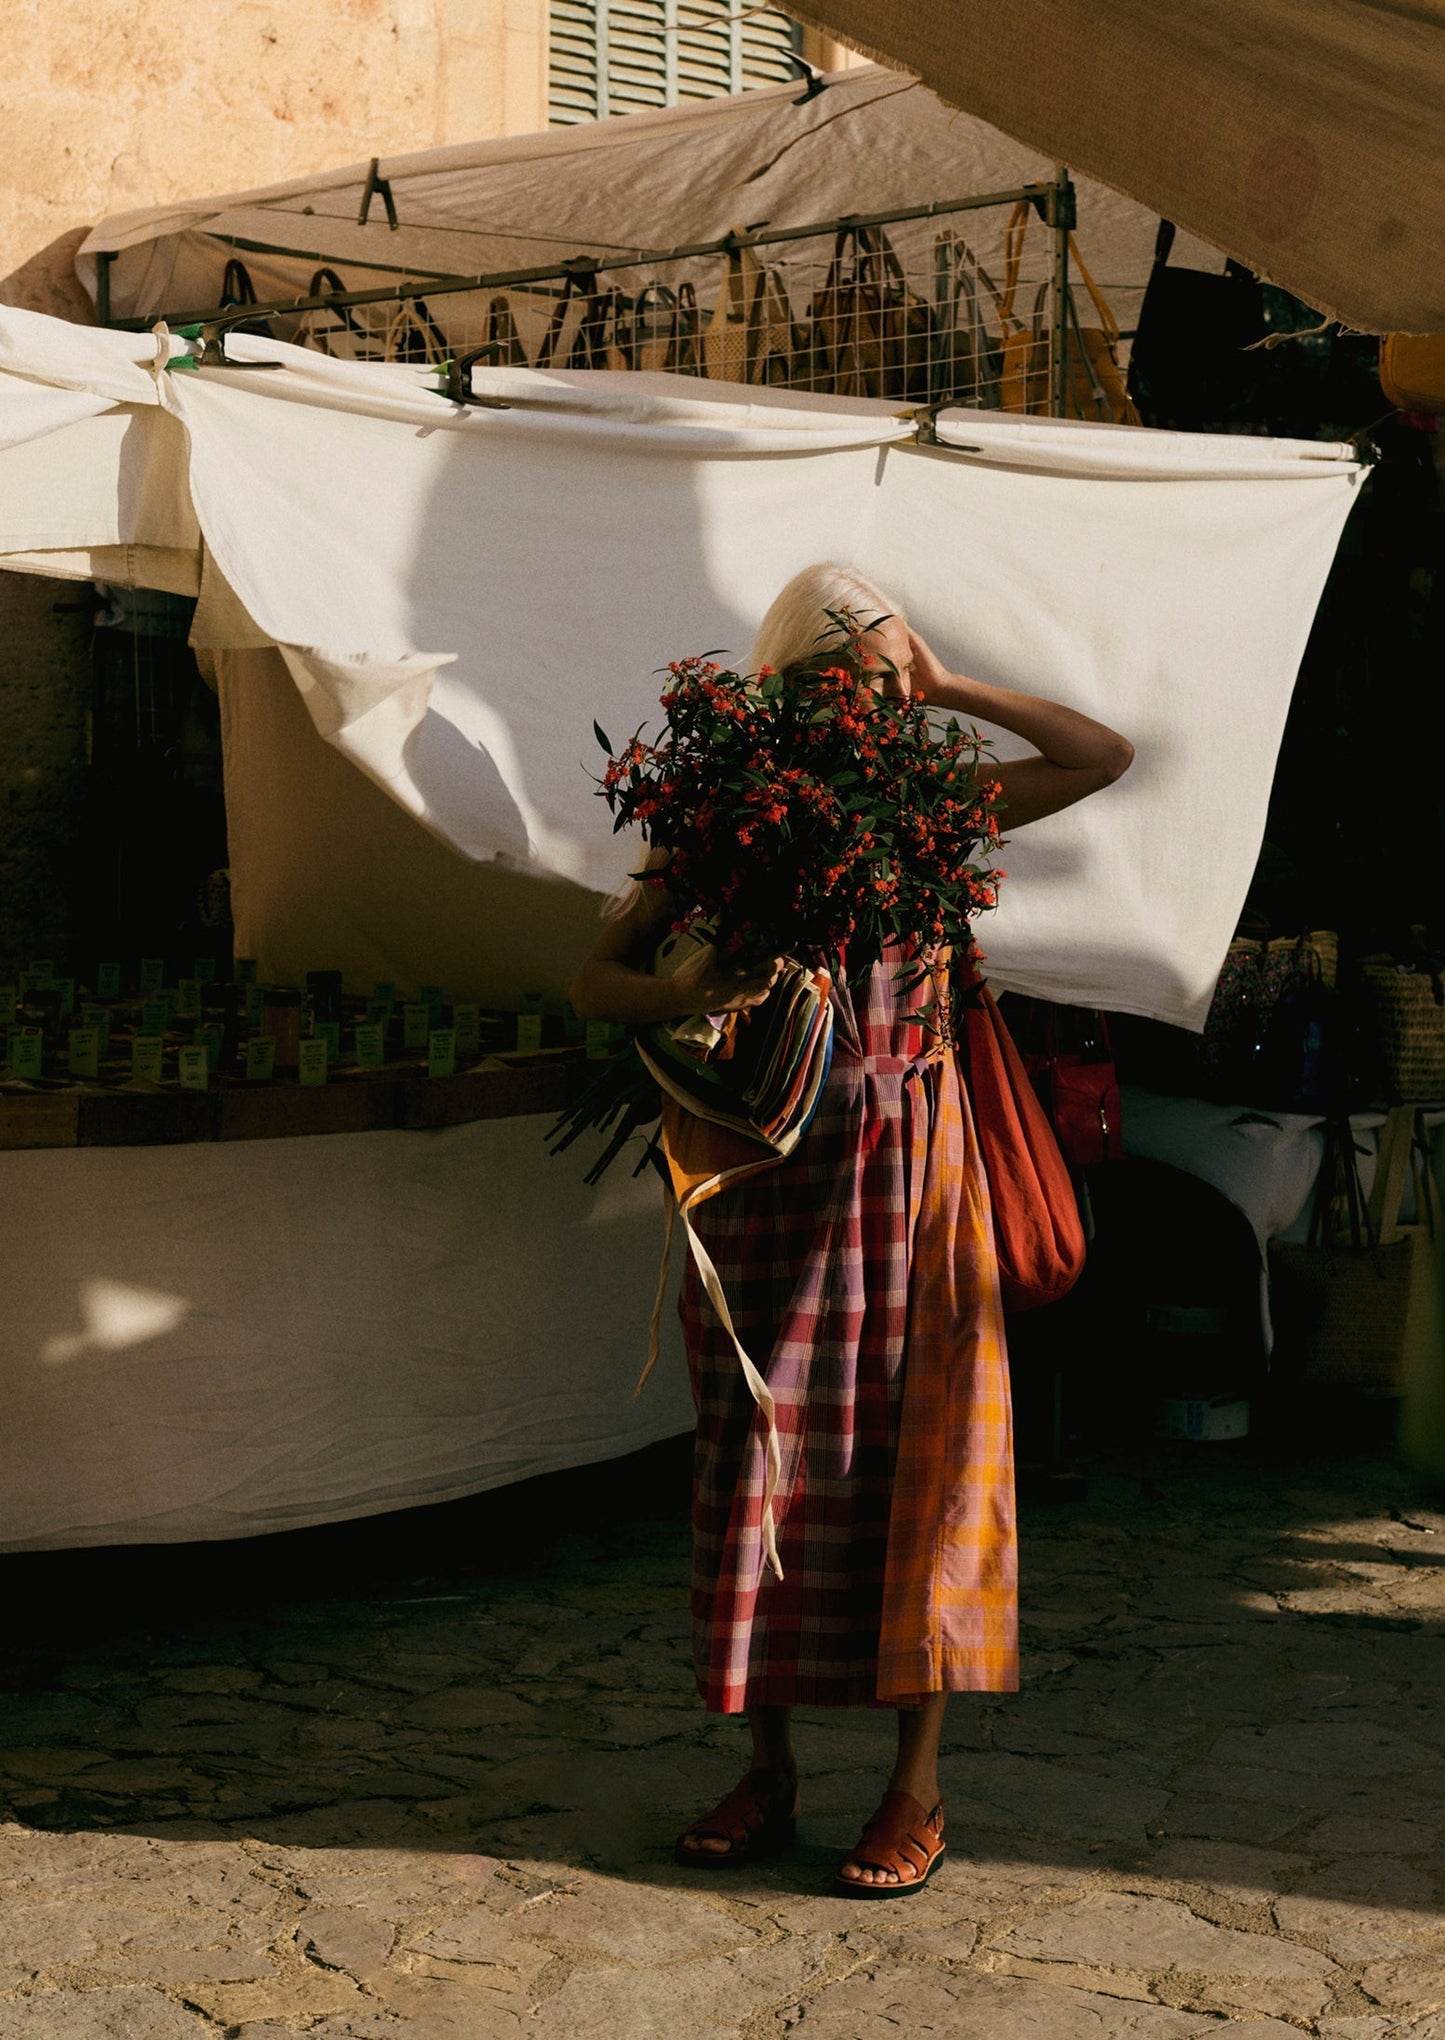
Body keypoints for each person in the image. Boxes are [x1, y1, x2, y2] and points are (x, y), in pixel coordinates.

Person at [570, 563, 1133, 1896]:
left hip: (916, 1191)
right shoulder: (725, 820)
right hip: (769, 1190)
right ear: (777, 691)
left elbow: (1100, 755)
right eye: (836, 683)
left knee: (924, 1471)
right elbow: (595, 978)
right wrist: (692, 986)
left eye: (881, 685)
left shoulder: (928, 805)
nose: (861, 707)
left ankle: (914, 1790)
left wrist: (945, 681)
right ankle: (766, 1770)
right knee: (758, 1472)